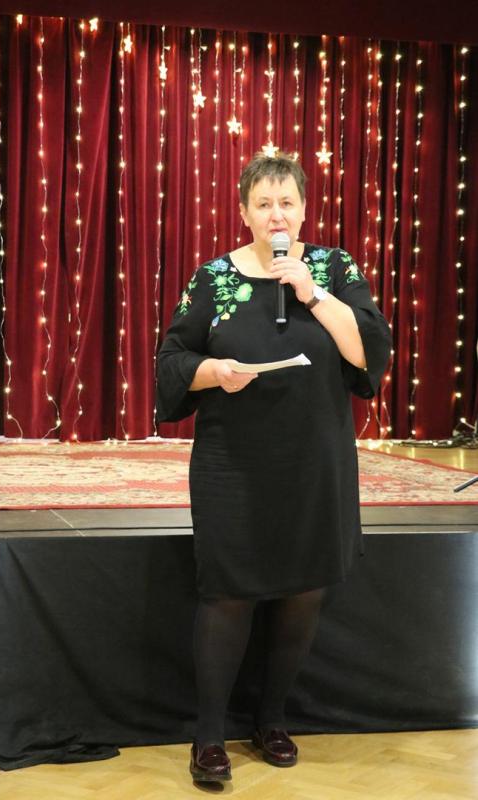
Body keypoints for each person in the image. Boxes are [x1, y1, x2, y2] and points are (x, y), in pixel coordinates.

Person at [156, 152, 392, 784]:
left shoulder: (335, 270)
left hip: (315, 463)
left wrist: (312, 292)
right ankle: (209, 737)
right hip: (233, 465)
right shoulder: (213, 278)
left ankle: (272, 720)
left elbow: (368, 354)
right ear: (244, 213)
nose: (276, 214)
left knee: (303, 593)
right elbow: (172, 361)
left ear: (304, 210)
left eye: (287, 202)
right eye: (263, 203)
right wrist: (213, 371)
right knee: (227, 593)